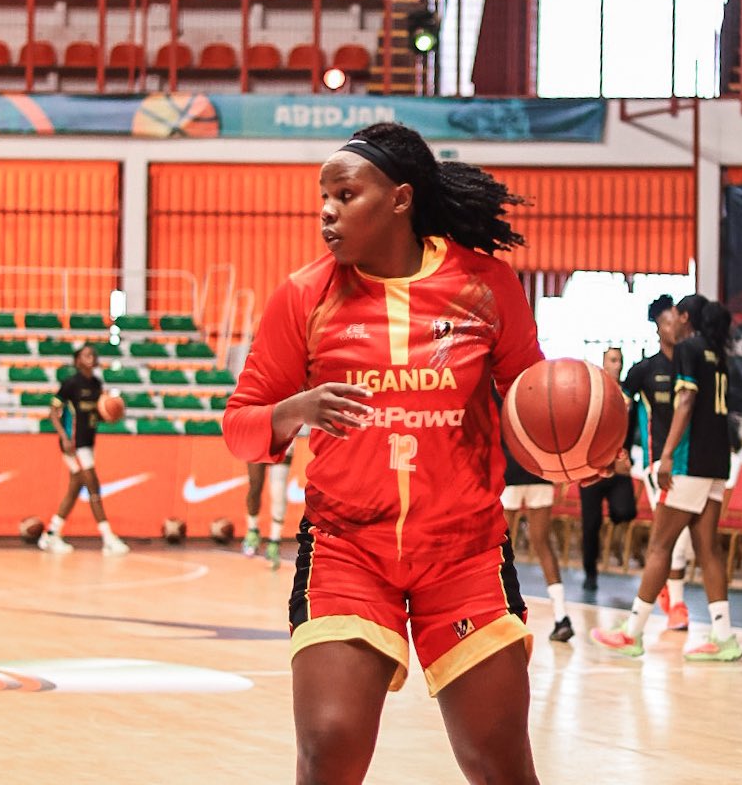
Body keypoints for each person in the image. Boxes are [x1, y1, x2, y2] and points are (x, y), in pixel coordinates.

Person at [224, 122, 544, 784]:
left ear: (400, 198)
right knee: (330, 748)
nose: (327, 211)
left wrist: (579, 444)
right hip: (347, 549)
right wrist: (296, 409)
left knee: (499, 763)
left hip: (464, 552)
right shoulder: (303, 296)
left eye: (345, 195)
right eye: (323, 197)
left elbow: (531, 403)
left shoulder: (486, 286)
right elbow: (239, 427)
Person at [591, 294, 742, 662]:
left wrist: (669, 454)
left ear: (685, 317)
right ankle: (724, 636)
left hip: (688, 463)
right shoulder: (718, 352)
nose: (671, 319)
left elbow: (686, 403)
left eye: (675, 313)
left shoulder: (689, 348)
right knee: (708, 549)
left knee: (660, 546)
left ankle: (631, 632)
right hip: (717, 463)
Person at [622, 294, 694, 631]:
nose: (673, 328)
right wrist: (618, 450)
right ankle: (677, 605)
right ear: (657, 328)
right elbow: (620, 410)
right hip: (658, 465)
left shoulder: (691, 364)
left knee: (681, 538)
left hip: (690, 464)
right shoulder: (644, 370)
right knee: (674, 538)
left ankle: (665, 586)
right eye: (667, 322)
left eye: (676, 321)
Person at [39, 343, 130, 555]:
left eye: (92, 354)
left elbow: (96, 414)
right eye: (85, 354)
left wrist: (111, 414)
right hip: (74, 443)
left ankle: (51, 534)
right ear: (77, 360)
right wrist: (64, 437)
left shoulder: (97, 384)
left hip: (88, 443)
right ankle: (108, 538)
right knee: (93, 487)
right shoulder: (71, 384)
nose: (90, 357)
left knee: (74, 489)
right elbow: (53, 412)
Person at [500, 429, 574, 642]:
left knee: (500, 543)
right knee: (542, 544)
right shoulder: (545, 402)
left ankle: (503, 614)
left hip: (509, 469)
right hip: (540, 470)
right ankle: (561, 616)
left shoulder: (499, 404)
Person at [579, 346, 636, 591]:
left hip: (618, 467)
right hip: (592, 469)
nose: (617, 365)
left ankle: (614, 519)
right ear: (603, 363)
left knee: (625, 511)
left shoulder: (628, 397)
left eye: (619, 360)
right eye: (612, 360)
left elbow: (632, 431)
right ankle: (590, 573)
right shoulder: (592, 393)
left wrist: (627, 457)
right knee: (590, 524)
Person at [242, 438, 294, 569]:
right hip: (258, 436)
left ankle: (274, 541)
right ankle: (252, 531)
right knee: (255, 485)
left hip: (282, 435)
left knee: (278, 490)